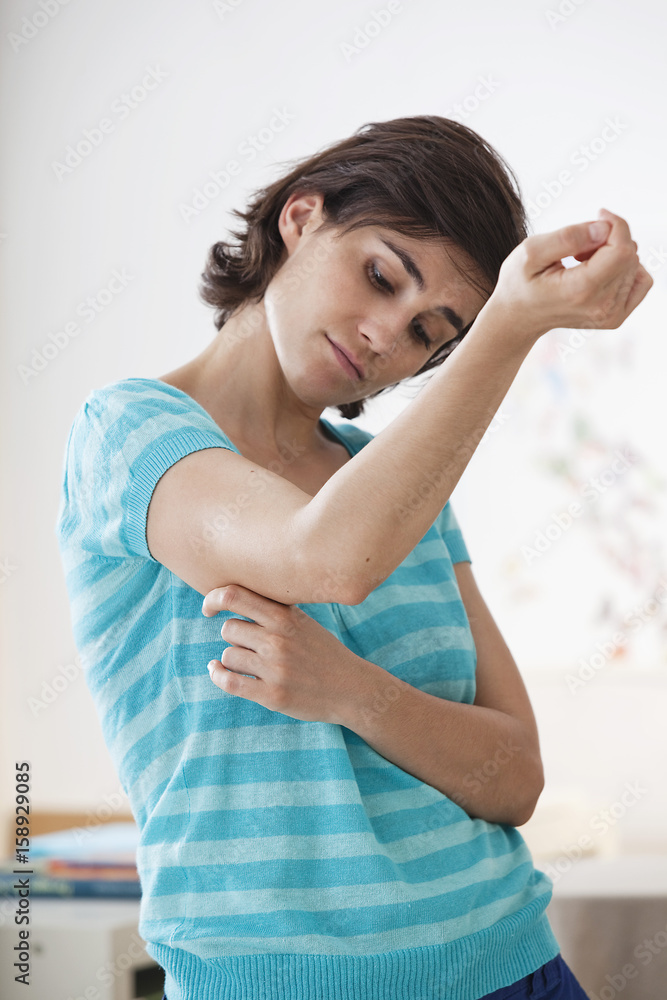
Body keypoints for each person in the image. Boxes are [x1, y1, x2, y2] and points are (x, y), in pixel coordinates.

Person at [55, 115, 651, 1000]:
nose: (383, 336)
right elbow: (321, 557)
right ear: (301, 217)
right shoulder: (128, 434)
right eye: (380, 276)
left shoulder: (399, 485)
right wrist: (508, 326)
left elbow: (514, 778)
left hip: (509, 963)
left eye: (427, 333)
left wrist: (350, 692)